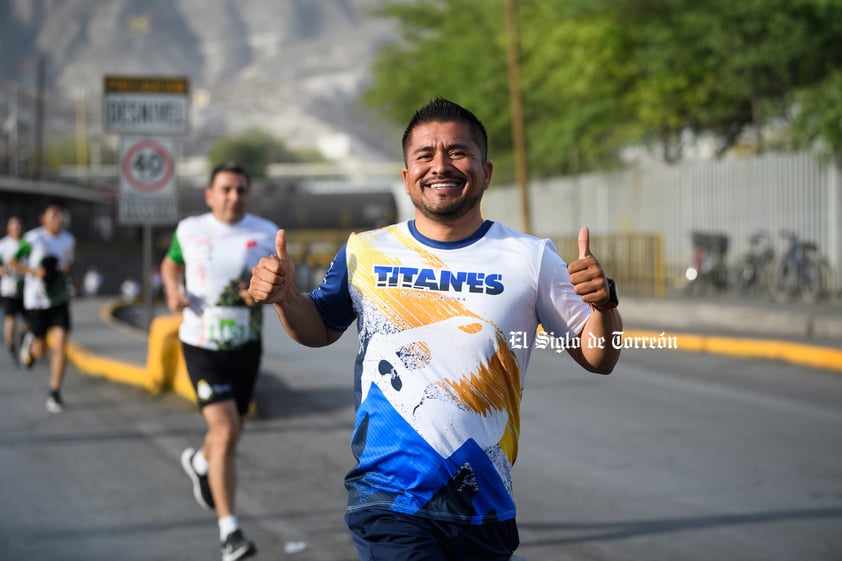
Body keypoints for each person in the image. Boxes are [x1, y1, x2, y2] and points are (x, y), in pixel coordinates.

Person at [248, 98, 623, 561]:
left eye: (457, 152)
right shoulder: (366, 251)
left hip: (485, 505)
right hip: (390, 499)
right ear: (407, 176)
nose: (440, 165)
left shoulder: (530, 258)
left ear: (486, 172)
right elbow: (319, 327)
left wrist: (603, 305)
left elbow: (598, 356)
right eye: (425, 155)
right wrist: (286, 298)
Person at [161, 162, 279, 561]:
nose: (233, 196)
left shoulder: (266, 233)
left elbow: (283, 283)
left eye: (240, 190)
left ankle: (198, 460)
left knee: (232, 431)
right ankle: (230, 532)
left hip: (246, 345)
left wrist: (263, 293)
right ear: (209, 194)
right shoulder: (190, 229)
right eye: (226, 189)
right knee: (226, 430)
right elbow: (170, 263)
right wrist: (173, 290)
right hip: (201, 344)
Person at [11, 203, 76, 413]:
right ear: (43, 219)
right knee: (40, 352)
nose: (58, 218)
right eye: (54, 215)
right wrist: (33, 271)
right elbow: (13, 261)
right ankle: (30, 342)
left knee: (61, 345)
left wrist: (66, 270)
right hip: (36, 302)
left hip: (58, 300)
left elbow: (68, 265)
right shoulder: (33, 239)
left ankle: (54, 392)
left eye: (60, 214)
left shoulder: (69, 240)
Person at [0, 216, 26, 363]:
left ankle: (23, 339)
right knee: (10, 319)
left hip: (25, 288)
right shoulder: (2, 245)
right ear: (8, 228)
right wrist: (3, 271)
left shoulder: (26, 244)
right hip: (8, 289)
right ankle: (10, 345)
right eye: (13, 226)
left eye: (18, 225)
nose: (16, 228)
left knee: (27, 320)